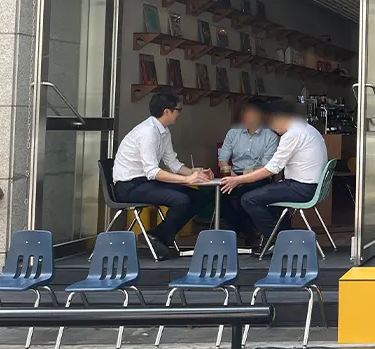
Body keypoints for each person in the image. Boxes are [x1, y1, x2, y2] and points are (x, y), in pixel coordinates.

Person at [112, 91, 214, 259]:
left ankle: (158, 235)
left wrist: (195, 173)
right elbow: (152, 171)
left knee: (198, 198)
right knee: (180, 200)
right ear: (167, 111)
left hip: (146, 182)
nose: (179, 114)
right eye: (178, 110)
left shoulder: (163, 131)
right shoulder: (147, 132)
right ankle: (159, 237)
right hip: (129, 185)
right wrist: (187, 179)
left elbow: (172, 162)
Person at [220, 99, 328, 254]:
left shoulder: (293, 134)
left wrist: (237, 180)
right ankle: (285, 237)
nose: (272, 128)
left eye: (271, 123)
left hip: (302, 187)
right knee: (267, 195)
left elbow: (272, 169)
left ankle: (276, 240)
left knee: (249, 199)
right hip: (309, 186)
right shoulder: (306, 129)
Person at [215, 98, 279, 245]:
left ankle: (249, 233)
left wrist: (243, 179)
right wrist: (232, 176)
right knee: (219, 198)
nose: (247, 116)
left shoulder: (270, 137)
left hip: (258, 177)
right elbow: (223, 159)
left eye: (252, 113)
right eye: (245, 113)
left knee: (246, 195)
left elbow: (267, 166)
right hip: (233, 174)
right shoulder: (233, 133)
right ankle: (246, 231)